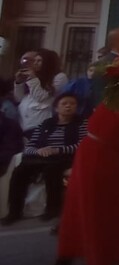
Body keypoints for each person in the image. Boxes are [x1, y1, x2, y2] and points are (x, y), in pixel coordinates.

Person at [55, 83, 119, 265]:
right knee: (102, 213)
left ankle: (69, 254)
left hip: (99, 153)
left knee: (81, 208)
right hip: (105, 157)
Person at [3, 93, 87, 225]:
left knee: (52, 170)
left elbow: (82, 145)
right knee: (20, 171)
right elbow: (30, 146)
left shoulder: (81, 124)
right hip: (42, 157)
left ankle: (52, 209)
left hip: (65, 157)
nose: (68, 106)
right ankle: (14, 212)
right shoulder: (46, 124)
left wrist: (58, 150)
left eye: (72, 104)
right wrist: (38, 151)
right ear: (56, 108)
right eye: (64, 104)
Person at [15, 49, 68, 133]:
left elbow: (40, 97)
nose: (35, 63)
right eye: (35, 60)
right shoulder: (35, 77)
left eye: (39, 61)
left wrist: (32, 78)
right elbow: (19, 98)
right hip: (22, 121)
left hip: (38, 122)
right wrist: (18, 83)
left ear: (48, 62)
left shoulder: (59, 77)